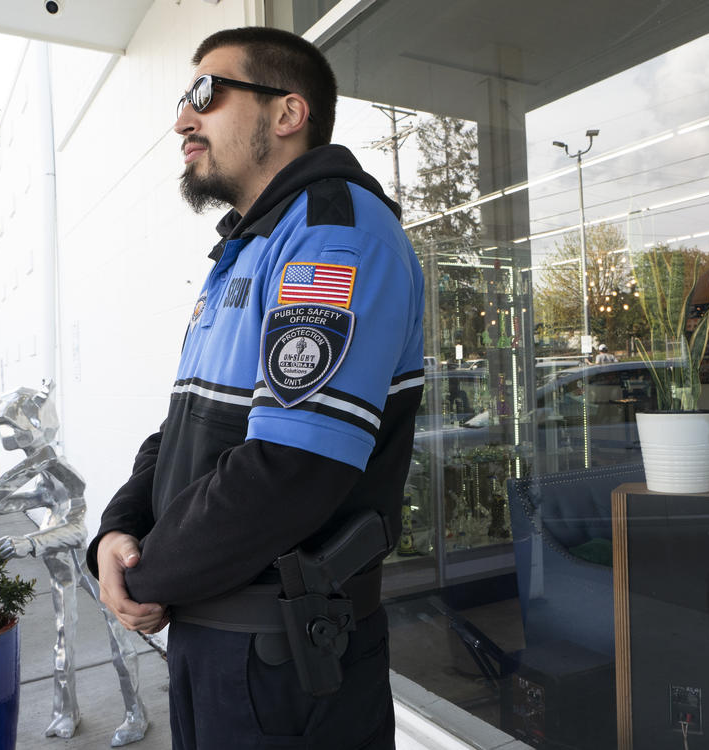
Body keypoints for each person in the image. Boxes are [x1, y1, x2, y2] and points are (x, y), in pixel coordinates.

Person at [88, 26, 425, 750]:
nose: (183, 117)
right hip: (219, 642)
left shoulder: (334, 236)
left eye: (206, 94)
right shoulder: (250, 245)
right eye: (185, 97)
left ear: (286, 114)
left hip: (284, 664)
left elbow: (293, 468)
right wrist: (120, 531)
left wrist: (149, 577)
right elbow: (185, 429)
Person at [0, 382, 148, 746]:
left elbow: (77, 529)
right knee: (63, 639)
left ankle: (136, 713)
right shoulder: (42, 469)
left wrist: (28, 543)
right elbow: (22, 497)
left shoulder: (61, 469)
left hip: (84, 565)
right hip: (59, 566)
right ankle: (65, 712)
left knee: (119, 637)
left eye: (14, 428)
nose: (11, 437)